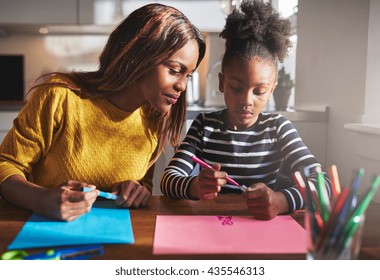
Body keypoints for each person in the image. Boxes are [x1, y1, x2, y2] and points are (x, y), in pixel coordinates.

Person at [0, 3, 206, 221]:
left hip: (112, 236)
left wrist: (137, 190)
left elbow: (143, 183)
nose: (182, 86)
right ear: (140, 56)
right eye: (175, 71)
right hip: (40, 230)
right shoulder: (60, 95)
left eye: (188, 76)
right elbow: (6, 165)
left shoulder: (154, 117)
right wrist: (41, 200)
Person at [160, 0, 330, 220]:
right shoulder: (204, 126)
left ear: (272, 91)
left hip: (261, 230)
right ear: (222, 83)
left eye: (259, 91)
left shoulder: (279, 128)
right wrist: (193, 186)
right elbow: (168, 180)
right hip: (213, 229)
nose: (246, 100)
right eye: (236, 88)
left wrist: (281, 201)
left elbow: (324, 185)